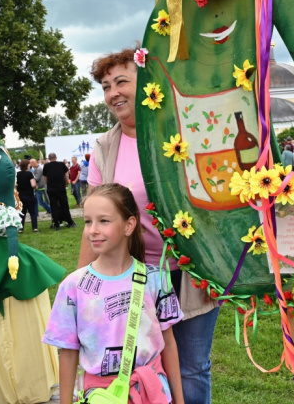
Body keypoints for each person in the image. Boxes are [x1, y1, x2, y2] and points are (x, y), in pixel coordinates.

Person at [83, 47, 219, 404]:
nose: (113, 93)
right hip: (134, 275)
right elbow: (94, 219)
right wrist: (84, 284)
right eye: (106, 86)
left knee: (190, 366)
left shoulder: (182, 130)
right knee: (138, 365)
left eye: (122, 82)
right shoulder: (104, 148)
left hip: (191, 272)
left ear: (147, 84)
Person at [44, 183, 184, 404]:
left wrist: (180, 400)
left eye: (104, 221)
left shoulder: (157, 280)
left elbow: (169, 343)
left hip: (153, 392)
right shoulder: (73, 287)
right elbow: (68, 354)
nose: (93, 230)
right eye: (88, 221)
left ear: (129, 226)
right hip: (101, 397)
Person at [44, 153, 76, 230]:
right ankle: (70, 221)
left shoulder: (46, 166)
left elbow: (45, 179)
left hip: (51, 189)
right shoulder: (61, 164)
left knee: (54, 206)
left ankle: (56, 224)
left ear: (49, 158)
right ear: (56, 157)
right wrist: (66, 181)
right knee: (64, 205)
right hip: (60, 188)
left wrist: (49, 183)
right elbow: (66, 174)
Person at [16, 159, 38, 233]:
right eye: (29, 164)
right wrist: (36, 187)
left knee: (22, 213)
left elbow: (15, 186)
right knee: (32, 212)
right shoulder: (29, 174)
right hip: (29, 195)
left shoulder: (17, 174)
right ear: (27, 166)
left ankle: (21, 229)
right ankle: (35, 228)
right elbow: (33, 185)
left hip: (21, 196)